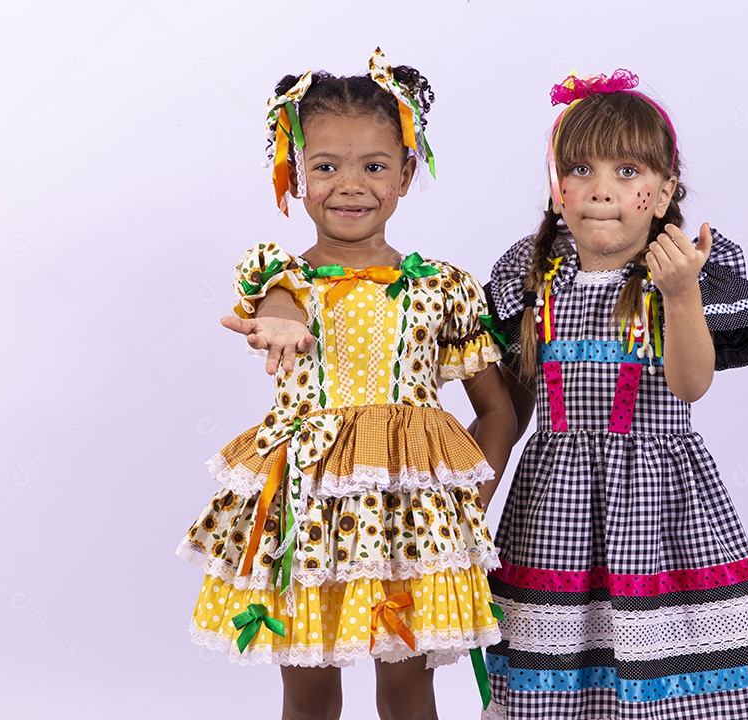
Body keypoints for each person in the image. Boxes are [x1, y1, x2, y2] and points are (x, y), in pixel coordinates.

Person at [176, 48, 515, 720]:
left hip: (410, 524)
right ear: (295, 172)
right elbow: (281, 304)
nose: (350, 185)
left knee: (409, 690)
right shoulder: (282, 279)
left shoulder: (441, 287)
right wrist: (280, 318)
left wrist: (468, 505)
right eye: (326, 166)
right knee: (307, 692)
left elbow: (496, 411)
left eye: (374, 167)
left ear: (407, 174)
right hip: (308, 518)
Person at [482, 70, 748, 719]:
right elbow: (509, 408)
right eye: (581, 170)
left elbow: (691, 384)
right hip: (554, 503)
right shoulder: (535, 278)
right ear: (557, 188)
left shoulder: (675, 275)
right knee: (560, 664)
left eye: (627, 172)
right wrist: (466, 503)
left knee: (656, 659)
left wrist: (681, 294)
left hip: (657, 503)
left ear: (665, 190)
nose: (602, 189)